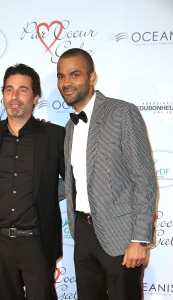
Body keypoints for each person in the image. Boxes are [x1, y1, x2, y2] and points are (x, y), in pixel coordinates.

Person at [57, 48, 157, 300]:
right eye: (61, 76)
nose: (66, 83)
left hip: (121, 237)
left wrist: (140, 239)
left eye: (74, 74)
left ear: (92, 78)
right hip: (83, 234)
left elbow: (143, 179)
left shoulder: (121, 113)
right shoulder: (70, 126)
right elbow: (76, 181)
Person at [0, 63, 65, 300]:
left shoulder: (55, 136)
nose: (14, 96)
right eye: (9, 89)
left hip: (38, 243)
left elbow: (73, 181)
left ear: (36, 97)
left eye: (22, 90)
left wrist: (46, 192)